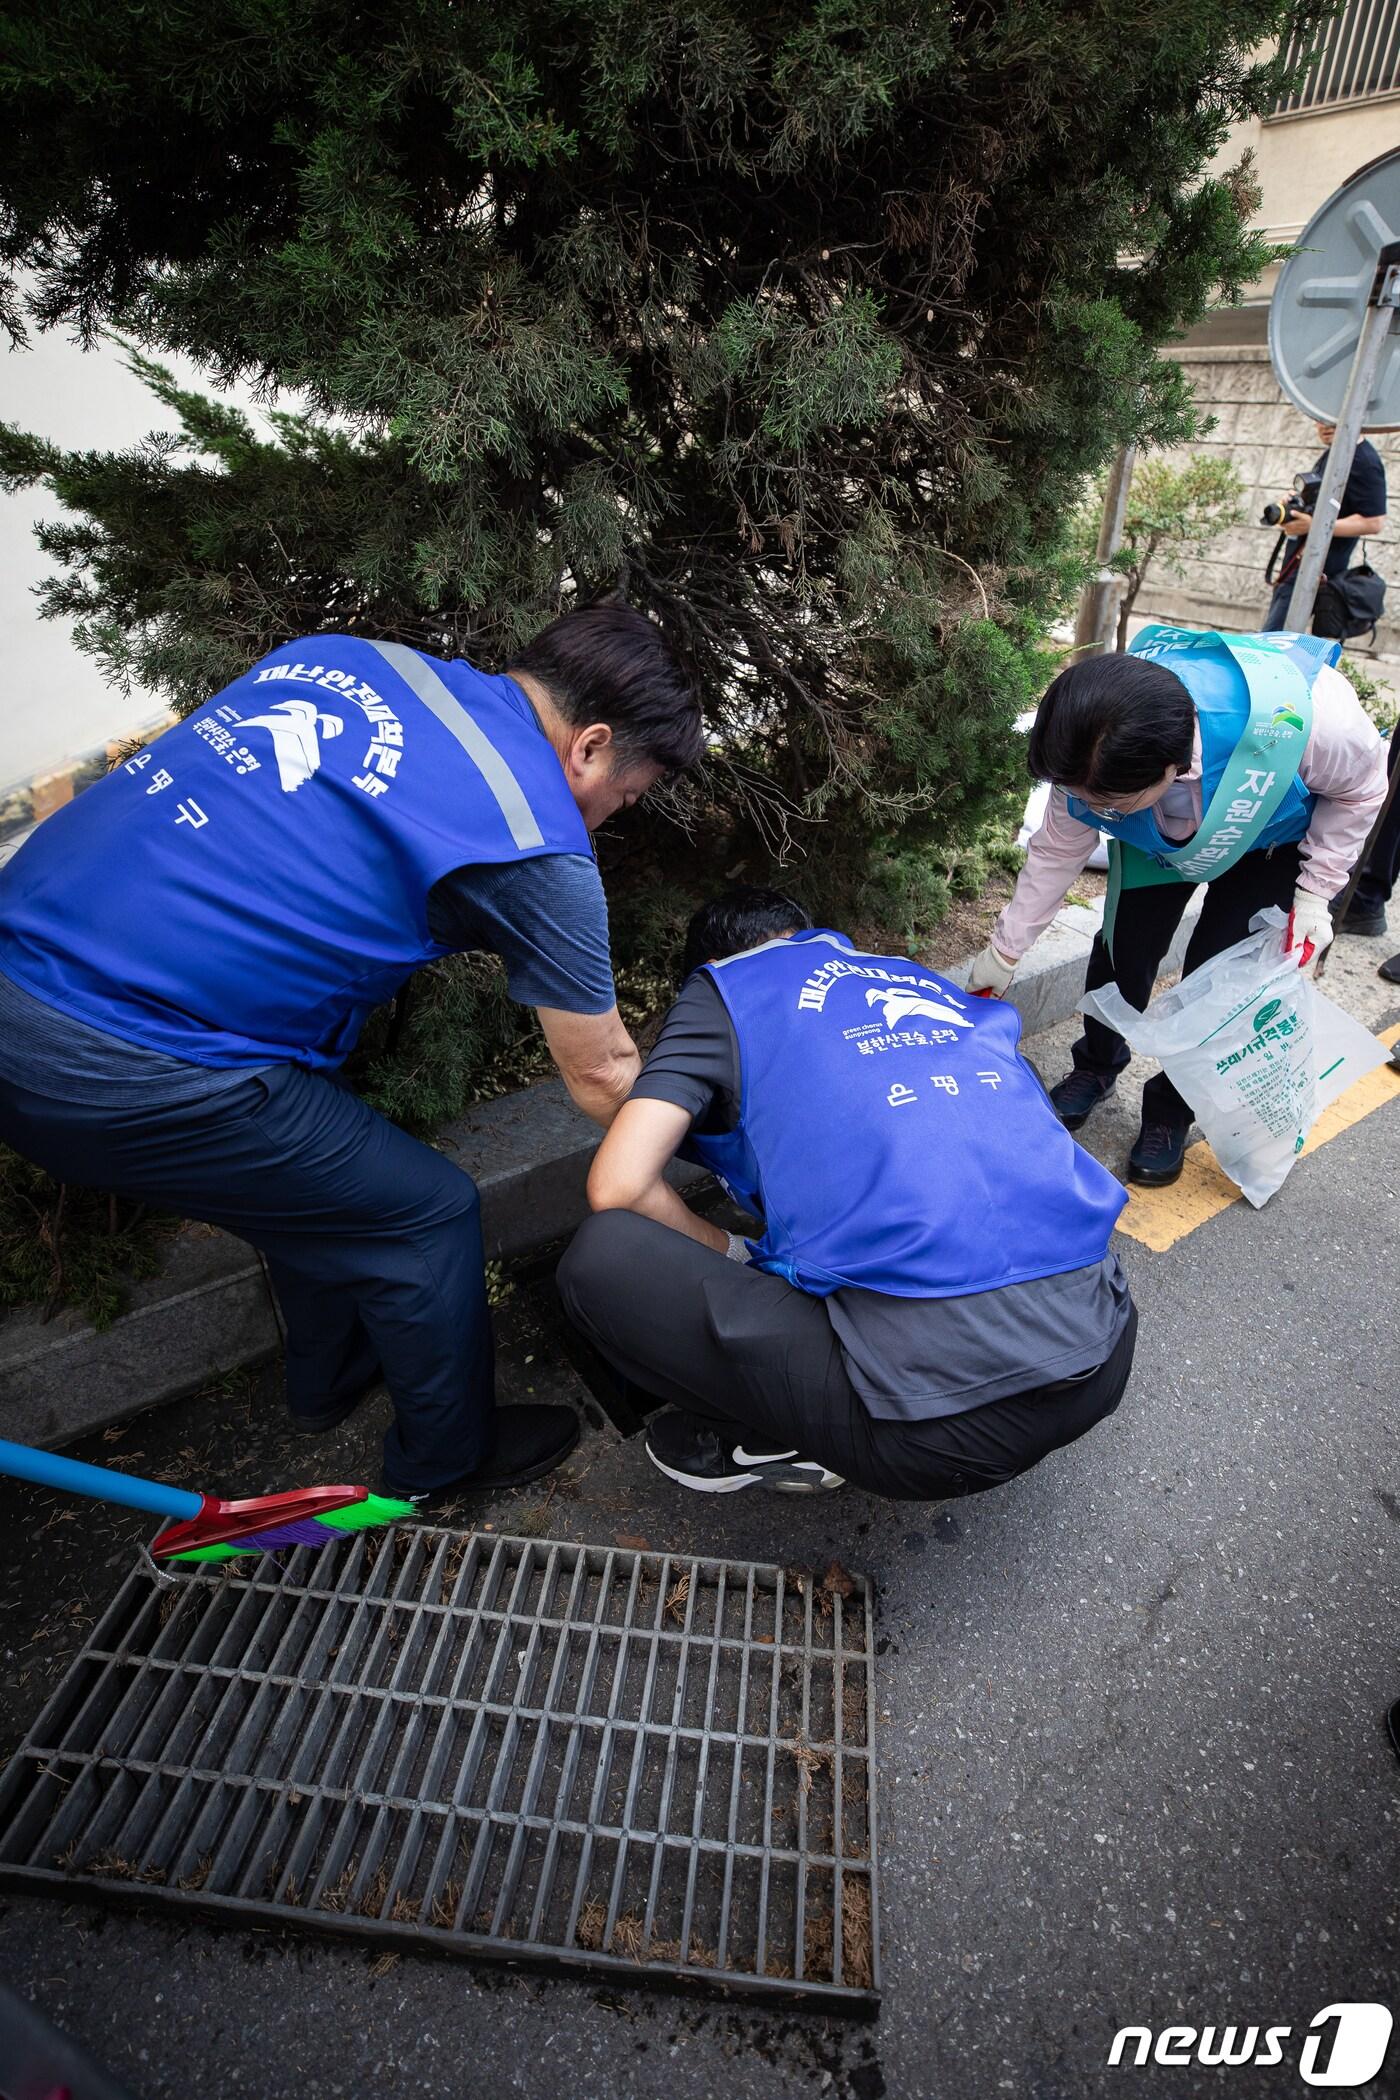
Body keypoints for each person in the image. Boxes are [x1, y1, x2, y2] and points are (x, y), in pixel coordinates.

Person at [0, 604, 703, 1506]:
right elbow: (604, 1074)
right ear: (593, 747)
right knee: (425, 1215)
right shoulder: (533, 837)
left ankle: (329, 1379)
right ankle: (446, 1463)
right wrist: (717, 1175)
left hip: (28, 958)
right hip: (119, 1057)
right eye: (628, 797)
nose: (611, 819)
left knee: (316, 1189)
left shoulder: (346, 658)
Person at [557, 888, 1136, 1502]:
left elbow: (621, 1185)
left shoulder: (725, 989)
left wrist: (734, 1252)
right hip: (1104, 1354)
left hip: (937, 1439)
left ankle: (770, 1436)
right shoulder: (920, 982)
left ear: (714, 962)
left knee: (602, 1254)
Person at [965, 626, 1387, 1188]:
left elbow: (1360, 792)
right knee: (1122, 949)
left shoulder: (1311, 721)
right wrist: (1006, 949)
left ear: (1171, 768)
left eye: (1104, 802)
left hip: (1268, 836)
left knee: (1221, 980)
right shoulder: (1092, 744)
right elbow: (1059, 848)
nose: (1089, 809)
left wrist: (1315, 894)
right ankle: (1094, 1065)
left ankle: (1170, 1112)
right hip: (1155, 841)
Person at [1262, 420, 1386, 634]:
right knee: (1274, 641)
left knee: (1271, 643)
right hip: (1298, 565)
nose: (1325, 425)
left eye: (1334, 420)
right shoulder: (1335, 453)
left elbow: (1374, 522)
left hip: (1317, 572)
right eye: (1320, 418)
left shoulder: (1364, 460)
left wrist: (1313, 526)